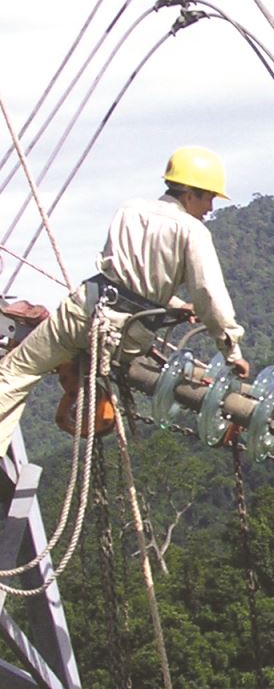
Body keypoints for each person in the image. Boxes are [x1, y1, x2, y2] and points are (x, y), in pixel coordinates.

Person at [0, 146, 249, 457]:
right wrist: (231, 351)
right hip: (122, 336)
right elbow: (210, 296)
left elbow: (118, 273)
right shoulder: (192, 231)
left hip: (81, 310)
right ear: (189, 194)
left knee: (14, 374)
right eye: (209, 197)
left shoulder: (129, 210)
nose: (211, 207)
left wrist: (173, 305)